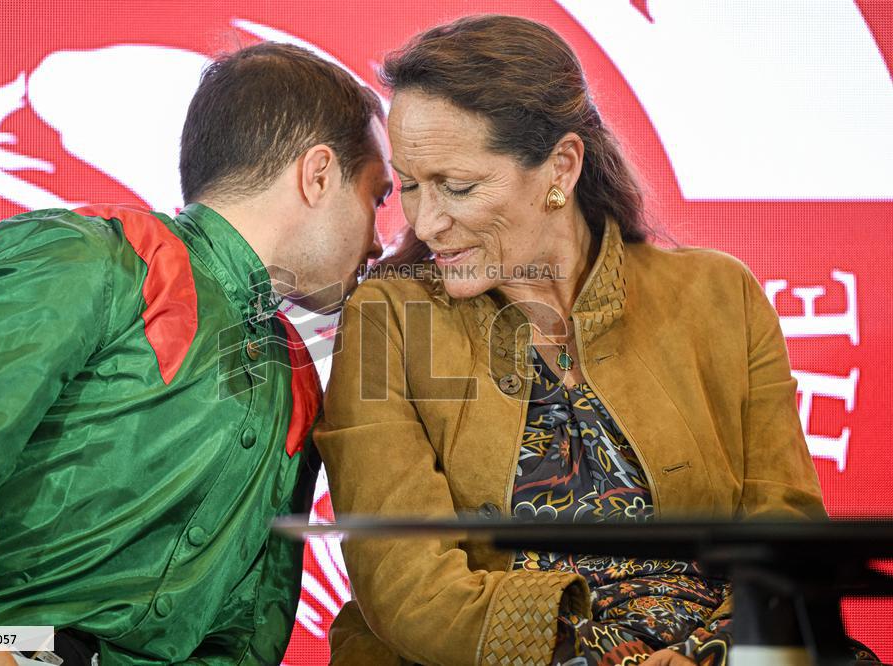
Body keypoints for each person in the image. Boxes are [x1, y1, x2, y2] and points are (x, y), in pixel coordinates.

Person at [315, 15, 879, 666]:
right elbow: (405, 586)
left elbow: (786, 530)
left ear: (562, 167)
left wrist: (708, 653)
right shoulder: (388, 316)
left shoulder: (720, 294)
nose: (426, 220)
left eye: (459, 186)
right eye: (410, 185)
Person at [0, 42, 392, 666]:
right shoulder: (85, 260)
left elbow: (251, 625)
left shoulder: (294, 378)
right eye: (378, 196)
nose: (380, 239)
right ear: (317, 175)